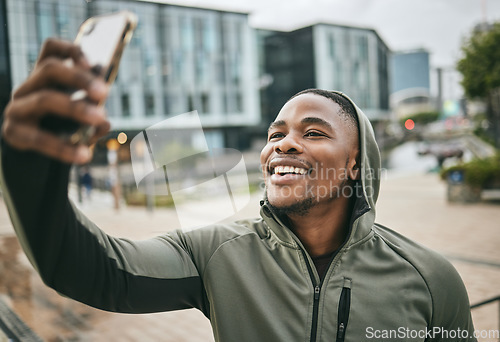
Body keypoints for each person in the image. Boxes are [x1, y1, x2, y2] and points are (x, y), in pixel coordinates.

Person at [0, 39, 476, 342]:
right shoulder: (214, 253)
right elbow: (87, 269)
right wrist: (27, 165)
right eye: (275, 134)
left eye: (313, 133)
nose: (284, 143)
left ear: (354, 164)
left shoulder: (433, 280)